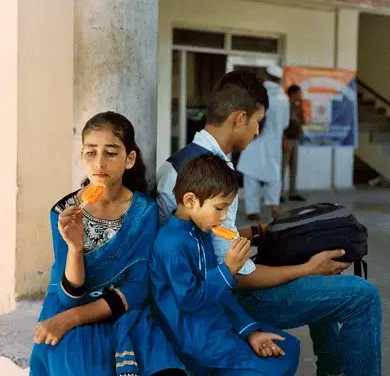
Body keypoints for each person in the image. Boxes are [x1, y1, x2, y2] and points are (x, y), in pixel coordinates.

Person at [157, 71, 382, 376]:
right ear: (239, 118)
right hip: (221, 301)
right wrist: (308, 269)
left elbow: (208, 235)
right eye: (257, 121)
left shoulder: (184, 163)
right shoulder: (214, 174)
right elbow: (239, 275)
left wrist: (258, 231)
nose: (258, 130)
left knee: (320, 274)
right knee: (361, 295)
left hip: (205, 290)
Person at [30, 112, 185, 376]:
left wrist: (68, 321)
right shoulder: (63, 212)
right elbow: (68, 299)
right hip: (72, 308)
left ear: (130, 159)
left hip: (123, 310)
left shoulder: (143, 211)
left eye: (111, 153)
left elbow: (137, 287)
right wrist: (75, 248)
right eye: (91, 153)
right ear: (82, 156)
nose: (99, 162)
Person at [150, 154, 300, 376]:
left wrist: (250, 332)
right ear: (191, 201)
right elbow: (188, 300)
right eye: (220, 208)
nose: (223, 218)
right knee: (269, 368)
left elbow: (220, 292)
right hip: (194, 335)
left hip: (214, 321)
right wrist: (227, 269)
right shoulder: (170, 244)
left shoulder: (199, 233)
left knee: (289, 347)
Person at [236, 65, 289, 221]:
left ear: (266, 77)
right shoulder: (283, 98)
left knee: (251, 174)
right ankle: (274, 205)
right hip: (274, 143)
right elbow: (285, 124)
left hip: (254, 140)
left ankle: (253, 210)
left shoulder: (255, 95)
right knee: (274, 174)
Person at [281, 84, 308, 203]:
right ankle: (279, 193)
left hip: (295, 140)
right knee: (282, 168)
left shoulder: (297, 107)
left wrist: (301, 106)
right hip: (286, 140)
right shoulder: (285, 106)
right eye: (299, 93)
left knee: (293, 167)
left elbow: (304, 121)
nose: (300, 95)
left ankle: (293, 192)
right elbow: (281, 125)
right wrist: (283, 140)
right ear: (293, 94)